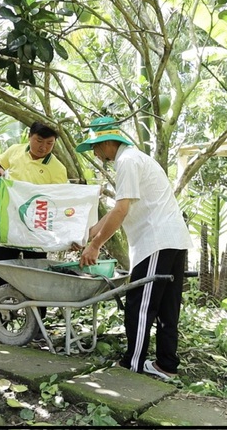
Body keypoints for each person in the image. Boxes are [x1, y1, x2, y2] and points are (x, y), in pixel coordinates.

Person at [75, 116, 193, 380]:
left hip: (155, 242)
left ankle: (134, 364)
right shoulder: (138, 158)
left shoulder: (126, 162)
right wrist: (88, 234)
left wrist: (95, 245)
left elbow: (120, 210)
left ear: (106, 143)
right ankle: (166, 365)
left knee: (140, 306)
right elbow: (121, 211)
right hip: (173, 240)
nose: (94, 153)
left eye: (95, 146)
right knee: (167, 308)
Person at [0, 121, 68, 340]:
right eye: (39, 141)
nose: (43, 147)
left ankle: (36, 327)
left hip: (37, 232)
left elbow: (59, 200)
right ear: (29, 137)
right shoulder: (15, 151)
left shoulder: (57, 169)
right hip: (8, 227)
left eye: (49, 143)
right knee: (1, 274)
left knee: (36, 278)